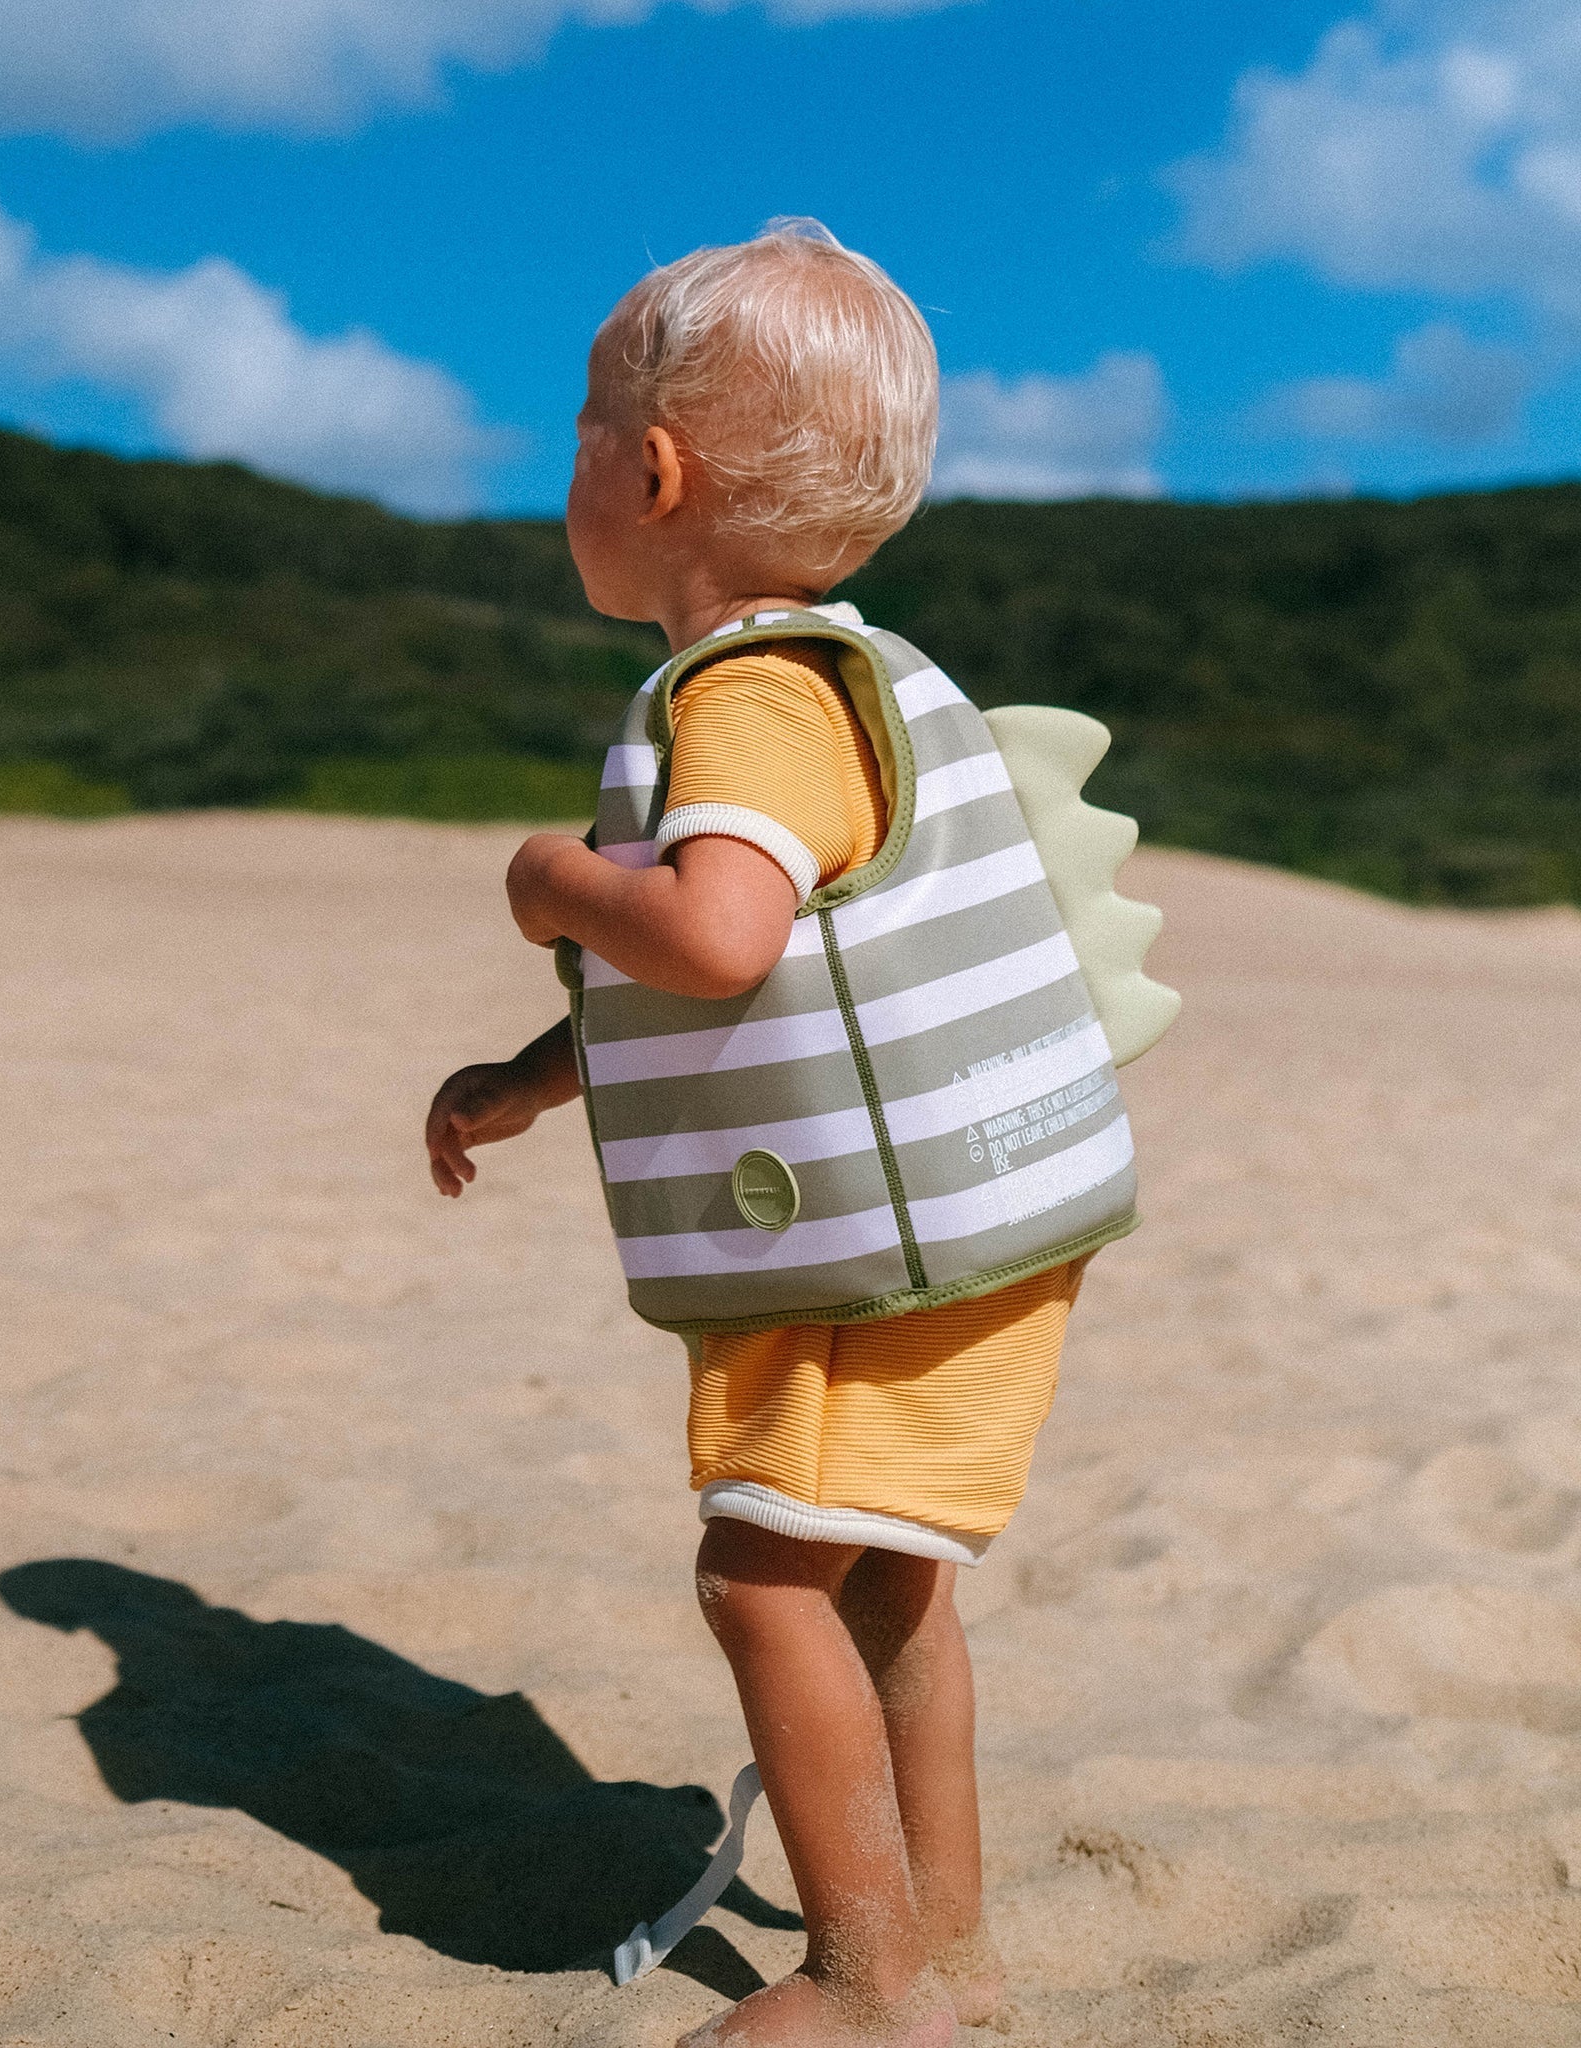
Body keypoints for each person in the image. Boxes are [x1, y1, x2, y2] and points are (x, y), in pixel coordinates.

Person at [424, 221, 1112, 2048]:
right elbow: (786, 991)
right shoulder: (847, 679)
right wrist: (535, 1073)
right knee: (885, 1579)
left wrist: (553, 881)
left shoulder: (753, 693)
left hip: (880, 1258)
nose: (566, 458)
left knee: (758, 1575)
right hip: (971, 1221)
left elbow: (713, 937)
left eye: (581, 424)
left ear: (648, 469)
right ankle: (947, 1955)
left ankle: (870, 1983)